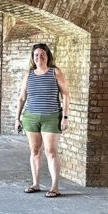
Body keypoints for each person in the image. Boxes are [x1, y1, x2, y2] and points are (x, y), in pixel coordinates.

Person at [15, 43, 70, 198]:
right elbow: (22, 97)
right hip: (31, 117)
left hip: (51, 117)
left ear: (47, 56)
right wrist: (17, 118)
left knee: (51, 152)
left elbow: (65, 95)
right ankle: (35, 184)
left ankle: (54, 187)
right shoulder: (29, 75)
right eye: (36, 55)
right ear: (33, 58)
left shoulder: (55, 72)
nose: (39, 57)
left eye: (42, 54)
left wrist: (65, 117)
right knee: (34, 151)